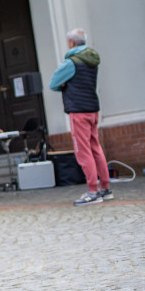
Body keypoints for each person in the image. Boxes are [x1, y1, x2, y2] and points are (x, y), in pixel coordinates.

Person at [49, 28, 112, 205]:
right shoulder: (92, 59)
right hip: (93, 108)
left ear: (71, 42)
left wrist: (63, 84)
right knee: (96, 148)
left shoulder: (70, 62)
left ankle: (93, 191)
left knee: (83, 151)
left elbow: (53, 83)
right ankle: (106, 189)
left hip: (78, 110)